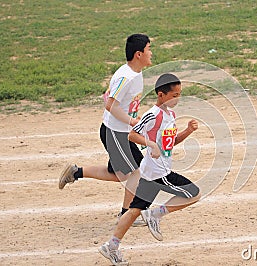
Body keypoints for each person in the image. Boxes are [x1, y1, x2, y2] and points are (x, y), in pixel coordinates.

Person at [98, 73, 201, 265]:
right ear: (161, 95)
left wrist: (187, 131)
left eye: (179, 94)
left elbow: (169, 144)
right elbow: (132, 135)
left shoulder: (170, 115)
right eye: (174, 95)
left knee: (133, 210)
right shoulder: (154, 114)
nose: (177, 98)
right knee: (194, 193)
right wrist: (151, 145)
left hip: (152, 171)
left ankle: (110, 246)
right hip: (158, 173)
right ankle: (155, 214)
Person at [59, 34, 152, 225]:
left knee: (121, 175)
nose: (151, 53)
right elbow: (110, 104)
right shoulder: (127, 76)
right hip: (115, 133)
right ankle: (126, 215)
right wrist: (132, 122)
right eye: (149, 49)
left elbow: (109, 96)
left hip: (119, 132)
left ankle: (75, 172)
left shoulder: (135, 72)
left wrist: (134, 118)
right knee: (137, 171)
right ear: (138, 54)